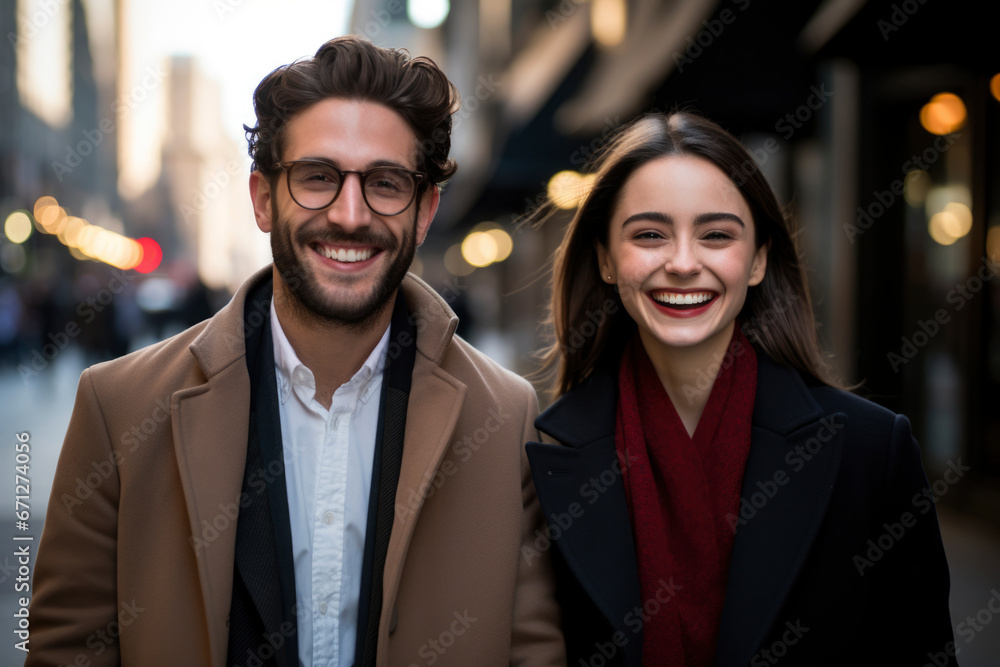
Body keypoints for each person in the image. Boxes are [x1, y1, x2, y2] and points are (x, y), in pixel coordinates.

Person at [27, 36, 564, 667]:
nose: (349, 214)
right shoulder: (118, 407)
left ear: (424, 212)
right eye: (318, 178)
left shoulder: (506, 418)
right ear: (262, 198)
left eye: (386, 183)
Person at [524, 111, 956, 666]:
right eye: (650, 235)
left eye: (717, 235)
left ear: (757, 260)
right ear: (606, 259)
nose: (683, 263)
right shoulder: (543, 458)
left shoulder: (872, 453)